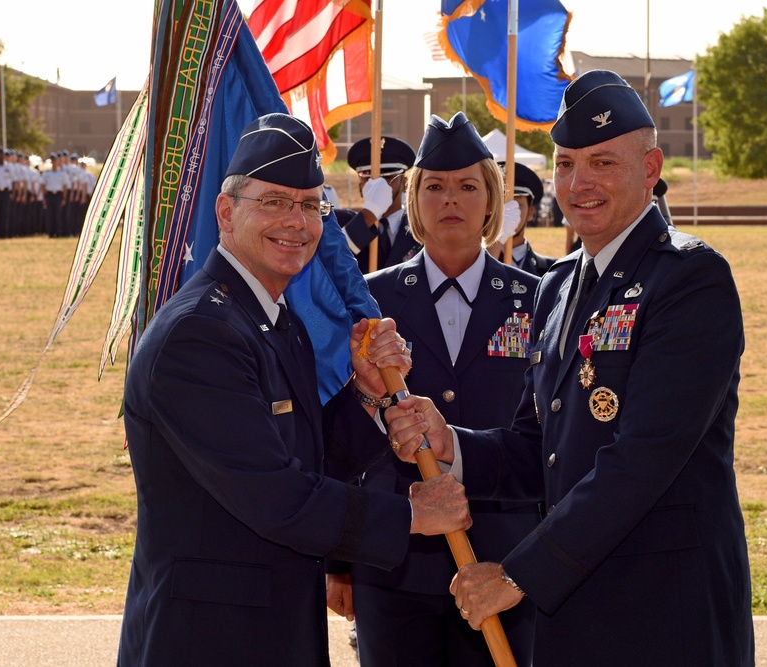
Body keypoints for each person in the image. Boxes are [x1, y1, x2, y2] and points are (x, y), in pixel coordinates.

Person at [385, 70, 754, 666]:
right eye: (565, 164)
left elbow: (643, 456)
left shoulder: (689, 280)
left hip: (662, 612)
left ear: (651, 167)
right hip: (571, 613)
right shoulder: (557, 286)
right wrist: (450, 442)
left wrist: (520, 573)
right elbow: (541, 447)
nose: (579, 184)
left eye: (603, 163)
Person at [116, 113, 472, 666]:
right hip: (208, 640)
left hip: (270, 629)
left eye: (310, 205)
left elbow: (309, 458)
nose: (298, 223)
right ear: (226, 212)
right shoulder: (200, 336)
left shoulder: (273, 321)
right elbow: (274, 495)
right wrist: (409, 515)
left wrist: (368, 396)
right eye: (275, 202)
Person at [326, 112, 541, 667]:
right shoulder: (369, 304)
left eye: (469, 186)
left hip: (505, 558)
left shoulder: (538, 300)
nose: (452, 199)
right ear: (414, 200)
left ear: (493, 202)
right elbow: (337, 431)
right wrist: (339, 561)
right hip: (396, 562)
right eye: (435, 187)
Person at [336, 135, 421, 271]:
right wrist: (371, 212)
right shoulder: (341, 223)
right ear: (360, 188)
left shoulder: (420, 226)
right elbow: (332, 259)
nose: (379, 186)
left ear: (405, 184)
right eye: (369, 179)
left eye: (388, 178)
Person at [497, 160, 556, 276]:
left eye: (517, 205)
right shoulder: (469, 265)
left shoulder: (551, 270)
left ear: (531, 213)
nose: (508, 212)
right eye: (501, 204)